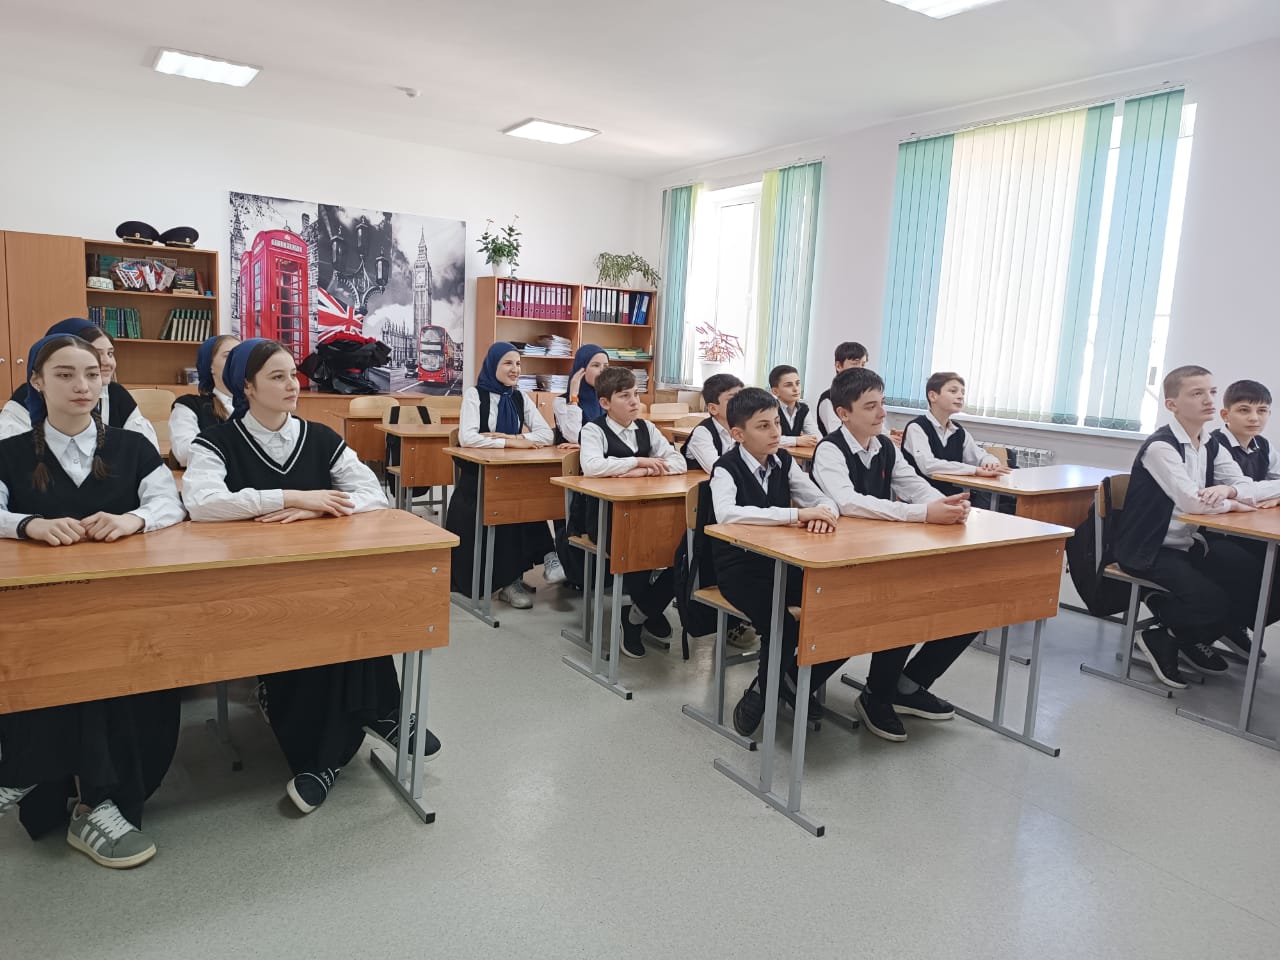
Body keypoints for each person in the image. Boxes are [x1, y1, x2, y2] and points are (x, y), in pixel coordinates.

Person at [183, 338, 439, 813]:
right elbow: (202, 503)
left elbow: (374, 494)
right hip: (255, 585)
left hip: (324, 574)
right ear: (247, 386)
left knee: (358, 609)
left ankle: (329, 754)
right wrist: (292, 497)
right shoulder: (216, 442)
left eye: (293, 375)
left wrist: (321, 510)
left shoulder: (320, 437)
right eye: (277, 377)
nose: (293, 385)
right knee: (308, 631)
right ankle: (369, 720)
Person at [0, 333, 185, 867]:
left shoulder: (131, 447)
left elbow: (170, 503)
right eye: (64, 374)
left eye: (92, 374)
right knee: (67, 661)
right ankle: (93, 803)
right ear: (37, 382)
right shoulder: (11, 452)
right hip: (46, 613)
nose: (82, 385)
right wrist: (27, 524)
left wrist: (134, 519)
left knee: (113, 663)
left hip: (126, 609)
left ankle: (40, 774)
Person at [811, 367, 977, 741]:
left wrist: (946, 504)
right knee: (902, 604)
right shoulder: (830, 450)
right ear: (843, 413)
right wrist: (923, 513)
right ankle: (877, 695)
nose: (882, 413)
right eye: (870, 406)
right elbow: (848, 502)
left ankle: (906, 685)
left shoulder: (885, 446)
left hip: (885, 552)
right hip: (842, 560)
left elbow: (914, 485)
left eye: (882, 403)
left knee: (970, 605)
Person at [1113, 365, 1268, 688]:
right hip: (1149, 547)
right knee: (1213, 601)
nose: (1209, 399)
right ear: (1172, 404)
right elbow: (1193, 503)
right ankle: (1163, 636)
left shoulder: (1210, 444)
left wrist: (1229, 490)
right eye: (1197, 393)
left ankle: (1189, 635)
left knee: (1250, 578)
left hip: (1187, 544)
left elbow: (1248, 485)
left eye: (1212, 392)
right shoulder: (1161, 447)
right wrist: (1235, 502)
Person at [709, 387, 840, 735]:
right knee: (781, 624)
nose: (775, 432)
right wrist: (796, 515)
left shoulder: (783, 461)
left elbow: (821, 499)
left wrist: (824, 513)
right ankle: (767, 693)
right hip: (739, 569)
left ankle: (784, 682)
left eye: (777, 423)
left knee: (838, 611)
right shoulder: (726, 468)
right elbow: (727, 514)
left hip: (783, 562)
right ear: (738, 434)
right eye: (763, 426)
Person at [576, 366, 686, 657]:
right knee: (637, 549)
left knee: (684, 554)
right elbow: (592, 467)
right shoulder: (593, 429)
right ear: (605, 403)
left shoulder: (646, 428)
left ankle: (640, 612)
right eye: (624, 396)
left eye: (636, 394)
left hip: (650, 512)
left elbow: (679, 463)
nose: (635, 401)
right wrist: (638, 462)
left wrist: (643, 472)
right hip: (606, 516)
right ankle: (646, 611)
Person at [445, 342, 563, 606]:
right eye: (508, 363)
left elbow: (546, 434)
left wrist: (515, 438)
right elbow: (468, 438)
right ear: (493, 365)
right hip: (478, 477)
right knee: (511, 500)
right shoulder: (475, 395)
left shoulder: (518, 397)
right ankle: (532, 564)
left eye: (518, 364)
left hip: (512, 473)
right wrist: (511, 443)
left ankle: (528, 570)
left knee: (528, 497)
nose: (515, 369)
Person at [0, 318, 159, 449]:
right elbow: (10, 458)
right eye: (97, 353)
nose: (107, 362)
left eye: (110, 353)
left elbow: (147, 449)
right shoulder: (24, 400)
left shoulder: (116, 394)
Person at [900, 372, 1008, 502]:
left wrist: (990, 462)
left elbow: (978, 455)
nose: (960, 396)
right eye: (953, 391)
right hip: (921, 500)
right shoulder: (916, 428)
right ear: (933, 396)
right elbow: (928, 466)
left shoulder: (958, 431)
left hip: (954, 498)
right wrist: (975, 470)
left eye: (963, 392)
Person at [169, 334, 239, 466]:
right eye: (228, 356)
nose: (237, 362)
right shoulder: (189, 406)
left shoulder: (259, 405)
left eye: (241, 356)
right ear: (210, 366)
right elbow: (185, 453)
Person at [681, 373, 743, 473]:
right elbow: (716, 467)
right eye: (732, 399)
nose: (741, 403)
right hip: (700, 482)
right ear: (713, 408)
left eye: (741, 398)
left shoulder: (743, 428)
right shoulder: (702, 432)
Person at [553, 344, 608, 447]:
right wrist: (574, 397)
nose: (602, 370)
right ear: (581, 370)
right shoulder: (561, 401)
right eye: (596, 365)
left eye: (605, 366)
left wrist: (585, 444)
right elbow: (573, 437)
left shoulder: (607, 399)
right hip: (574, 457)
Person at [815, 341, 868, 436]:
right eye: (855, 364)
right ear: (838, 366)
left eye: (863, 364)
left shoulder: (863, 396)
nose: (860, 369)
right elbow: (838, 434)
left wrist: (888, 435)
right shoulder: (828, 399)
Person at [767, 364, 820, 449]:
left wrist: (797, 440)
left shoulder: (803, 409)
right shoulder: (769, 409)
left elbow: (817, 437)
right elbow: (766, 439)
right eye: (789, 385)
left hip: (794, 455)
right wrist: (796, 440)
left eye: (797, 383)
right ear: (775, 391)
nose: (796, 389)